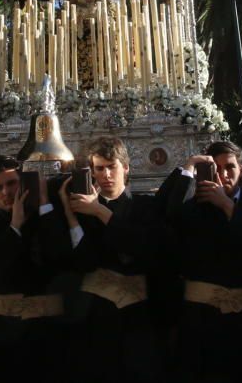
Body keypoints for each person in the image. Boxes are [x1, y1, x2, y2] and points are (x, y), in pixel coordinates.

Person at [164, 140, 242, 383]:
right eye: (215, 169)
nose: (223, 175)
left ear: (241, 169)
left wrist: (227, 206)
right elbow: (168, 218)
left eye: (230, 168)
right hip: (202, 323)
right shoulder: (194, 205)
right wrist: (188, 168)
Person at [57, 136, 168, 383]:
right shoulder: (81, 212)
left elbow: (141, 250)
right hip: (93, 320)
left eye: (112, 166)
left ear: (126, 168)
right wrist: (70, 214)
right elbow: (83, 261)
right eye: (99, 168)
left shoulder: (144, 207)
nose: (106, 174)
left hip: (139, 319)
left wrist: (99, 211)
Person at [0, 155, 72, 380]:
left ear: (23, 182)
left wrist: (44, 203)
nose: (5, 192)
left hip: (48, 333)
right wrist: (14, 227)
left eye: (11, 183)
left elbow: (59, 256)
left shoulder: (47, 216)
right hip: (2, 335)